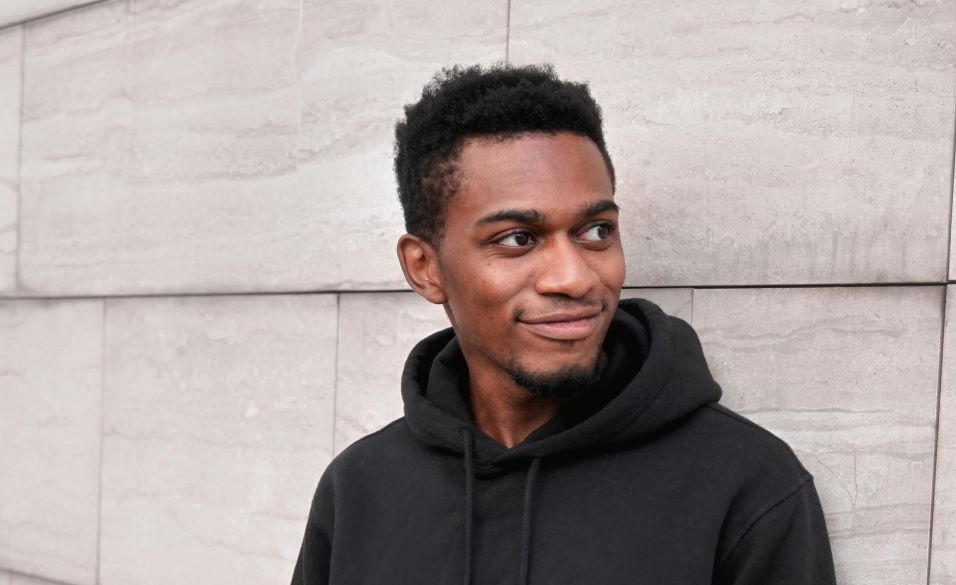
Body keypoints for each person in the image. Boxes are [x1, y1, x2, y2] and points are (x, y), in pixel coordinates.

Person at [290, 63, 836, 585]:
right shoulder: (360, 489)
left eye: (596, 231)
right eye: (517, 239)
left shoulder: (746, 484)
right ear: (425, 268)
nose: (575, 278)